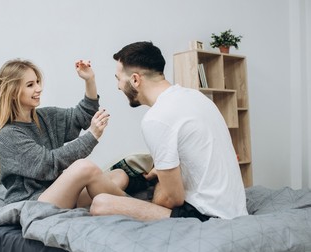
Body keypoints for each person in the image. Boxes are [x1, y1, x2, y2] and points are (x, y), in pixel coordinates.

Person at [90, 41, 248, 221]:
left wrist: (153, 194)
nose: (118, 86)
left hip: (208, 216)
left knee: (100, 203)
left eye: (118, 79)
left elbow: (172, 198)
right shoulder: (196, 97)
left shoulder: (156, 118)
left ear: (135, 79)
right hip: (234, 208)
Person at [0, 58, 128, 209]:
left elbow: (82, 115)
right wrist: (92, 136)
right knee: (84, 167)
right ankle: (136, 206)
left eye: (37, 82)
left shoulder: (46, 116)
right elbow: (48, 164)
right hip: (32, 202)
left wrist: (90, 80)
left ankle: (110, 203)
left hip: (58, 193)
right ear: (12, 92)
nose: (38, 88)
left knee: (119, 175)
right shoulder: (8, 135)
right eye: (30, 85)